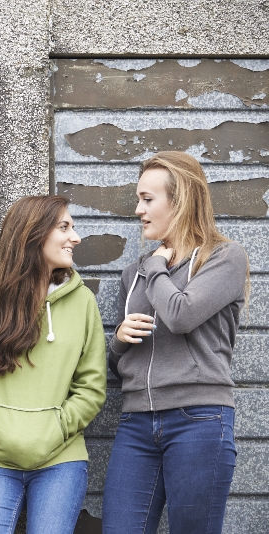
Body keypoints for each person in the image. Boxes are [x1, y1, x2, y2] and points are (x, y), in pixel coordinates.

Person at [102, 152, 248, 533]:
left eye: (148, 199)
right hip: (136, 423)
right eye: (139, 199)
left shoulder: (224, 257)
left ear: (180, 200)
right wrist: (118, 340)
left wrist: (156, 267)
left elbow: (181, 316)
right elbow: (119, 364)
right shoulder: (133, 273)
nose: (138, 210)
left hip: (198, 419)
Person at [0, 194, 107, 534]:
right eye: (64, 227)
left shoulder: (83, 302)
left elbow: (92, 387)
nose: (76, 238)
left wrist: (58, 426)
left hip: (61, 459)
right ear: (33, 234)